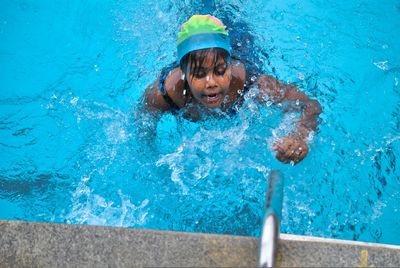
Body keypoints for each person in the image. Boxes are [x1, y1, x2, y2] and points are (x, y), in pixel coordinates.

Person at [141, 14, 322, 164]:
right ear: (184, 73)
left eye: (220, 71)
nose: (211, 82)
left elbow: (309, 105)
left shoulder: (253, 84)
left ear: (229, 66)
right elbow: (142, 129)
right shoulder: (163, 95)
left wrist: (299, 136)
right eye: (199, 74)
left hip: (241, 42)